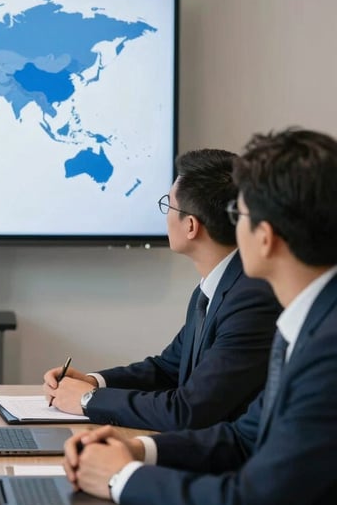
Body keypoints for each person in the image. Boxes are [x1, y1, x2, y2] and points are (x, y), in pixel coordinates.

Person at [64, 128, 337, 505]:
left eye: (239, 213)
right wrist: (137, 449)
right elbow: (244, 437)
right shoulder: (308, 321)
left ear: (265, 237)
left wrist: (120, 478)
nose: (232, 225)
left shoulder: (327, 346)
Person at [43, 149, 281, 430]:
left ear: (191, 225)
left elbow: (188, 410)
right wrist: (94, 382)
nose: (166, 215)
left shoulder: (252, 299)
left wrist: (87, 400)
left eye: (168, 206)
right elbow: (168, 369)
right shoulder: (215, 287)